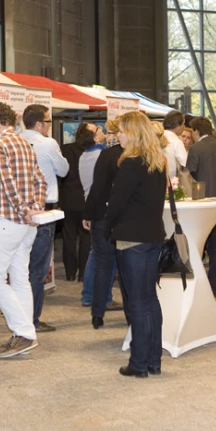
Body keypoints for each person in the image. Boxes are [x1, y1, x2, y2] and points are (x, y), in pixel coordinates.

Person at [105, 111, 167, 378]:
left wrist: (106, 226)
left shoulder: (131, 163)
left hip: (132, 240)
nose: (117, 135)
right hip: (153, 236)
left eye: (121, 131)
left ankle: (139, 364)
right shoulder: (158, 161)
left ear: (132, 132)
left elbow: (117, 203)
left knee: (138, 304)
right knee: (150, 300)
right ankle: (153, 360)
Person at [0, 102, 48, 358]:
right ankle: (24, 334)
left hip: (10, 221)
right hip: (26, 223)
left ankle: (24, 332)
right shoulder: (24, 143)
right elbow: (40, 180)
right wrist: (35, 207)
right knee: (20, 278)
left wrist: (25, 210)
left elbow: (6, 182)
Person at [21, 104, 69, 334]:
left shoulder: (15, 139)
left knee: (20, 266)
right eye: (48, 121)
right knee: (38, 269)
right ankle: (32, 320)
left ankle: (21, 317)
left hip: (19, 211)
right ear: (40, 123)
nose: (49, 126)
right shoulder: (48, 144)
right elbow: (63, 170)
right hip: (43, 210)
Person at [84, 119, 127, 329]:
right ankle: (130, 313)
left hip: (104, 216)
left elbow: (98, 188)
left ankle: (97, 313)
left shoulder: (108, 155)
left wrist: (89, 214)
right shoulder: (144, 155)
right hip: (129, 219)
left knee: (103, 265)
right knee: (127, 268)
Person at [187, 116, 216, 296]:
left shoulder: (195, 149)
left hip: (201, 203)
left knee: (198, 243)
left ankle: (196, 285)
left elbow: (189, 175)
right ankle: (213, 286)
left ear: (196, 131)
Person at [60, 123, 103, 281]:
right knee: (86, 238)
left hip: (69, 198)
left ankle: (70, 272)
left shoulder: (65, 149)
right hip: (86, 199)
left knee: (69, 237)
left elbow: (61, 174)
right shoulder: (96, 152)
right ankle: (84, 274)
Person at [78, 123, 110, 309]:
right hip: (103, 210)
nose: (103, 130)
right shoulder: (102, 156)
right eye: (99, 129)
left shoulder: (85, 155)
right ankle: (101, 297)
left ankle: (89, 294)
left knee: (96, 254)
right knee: (105, 257)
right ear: (96, 138)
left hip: (92, 208)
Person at [162, 111, 188, 179]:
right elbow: (184, 166)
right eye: (183, 124)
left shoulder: (155, 138)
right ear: (177, 125)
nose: (184, 127)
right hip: (172, 182)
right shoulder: (177, 142)